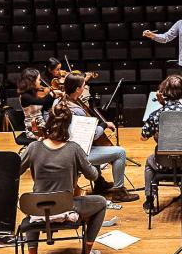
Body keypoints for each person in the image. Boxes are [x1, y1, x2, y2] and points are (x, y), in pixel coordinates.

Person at [19, 102, 108, 254]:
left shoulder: (33, 147)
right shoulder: (73, 148)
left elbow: (14, 171)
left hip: (37, 209)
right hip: (66, 208)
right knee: (102, 203)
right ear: (69, 126)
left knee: (34, 204)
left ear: (48, 121)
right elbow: (94, 176)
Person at [57, 73, 139, 201]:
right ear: (78, 89)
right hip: (78, 154)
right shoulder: (77, 110)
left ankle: (99, 183)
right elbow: (93, 135)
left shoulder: (59, 102)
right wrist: (103, 125)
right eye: (83, 86)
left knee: (94, 146)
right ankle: (119, 192)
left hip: (64, 149)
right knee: (120, 152)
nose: (85, 88)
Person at [140, 74, 182, 213]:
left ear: (163, 93)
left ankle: (149, 200)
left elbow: (143, 137)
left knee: (149, 162)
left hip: (163, 164)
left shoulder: (157, 114)